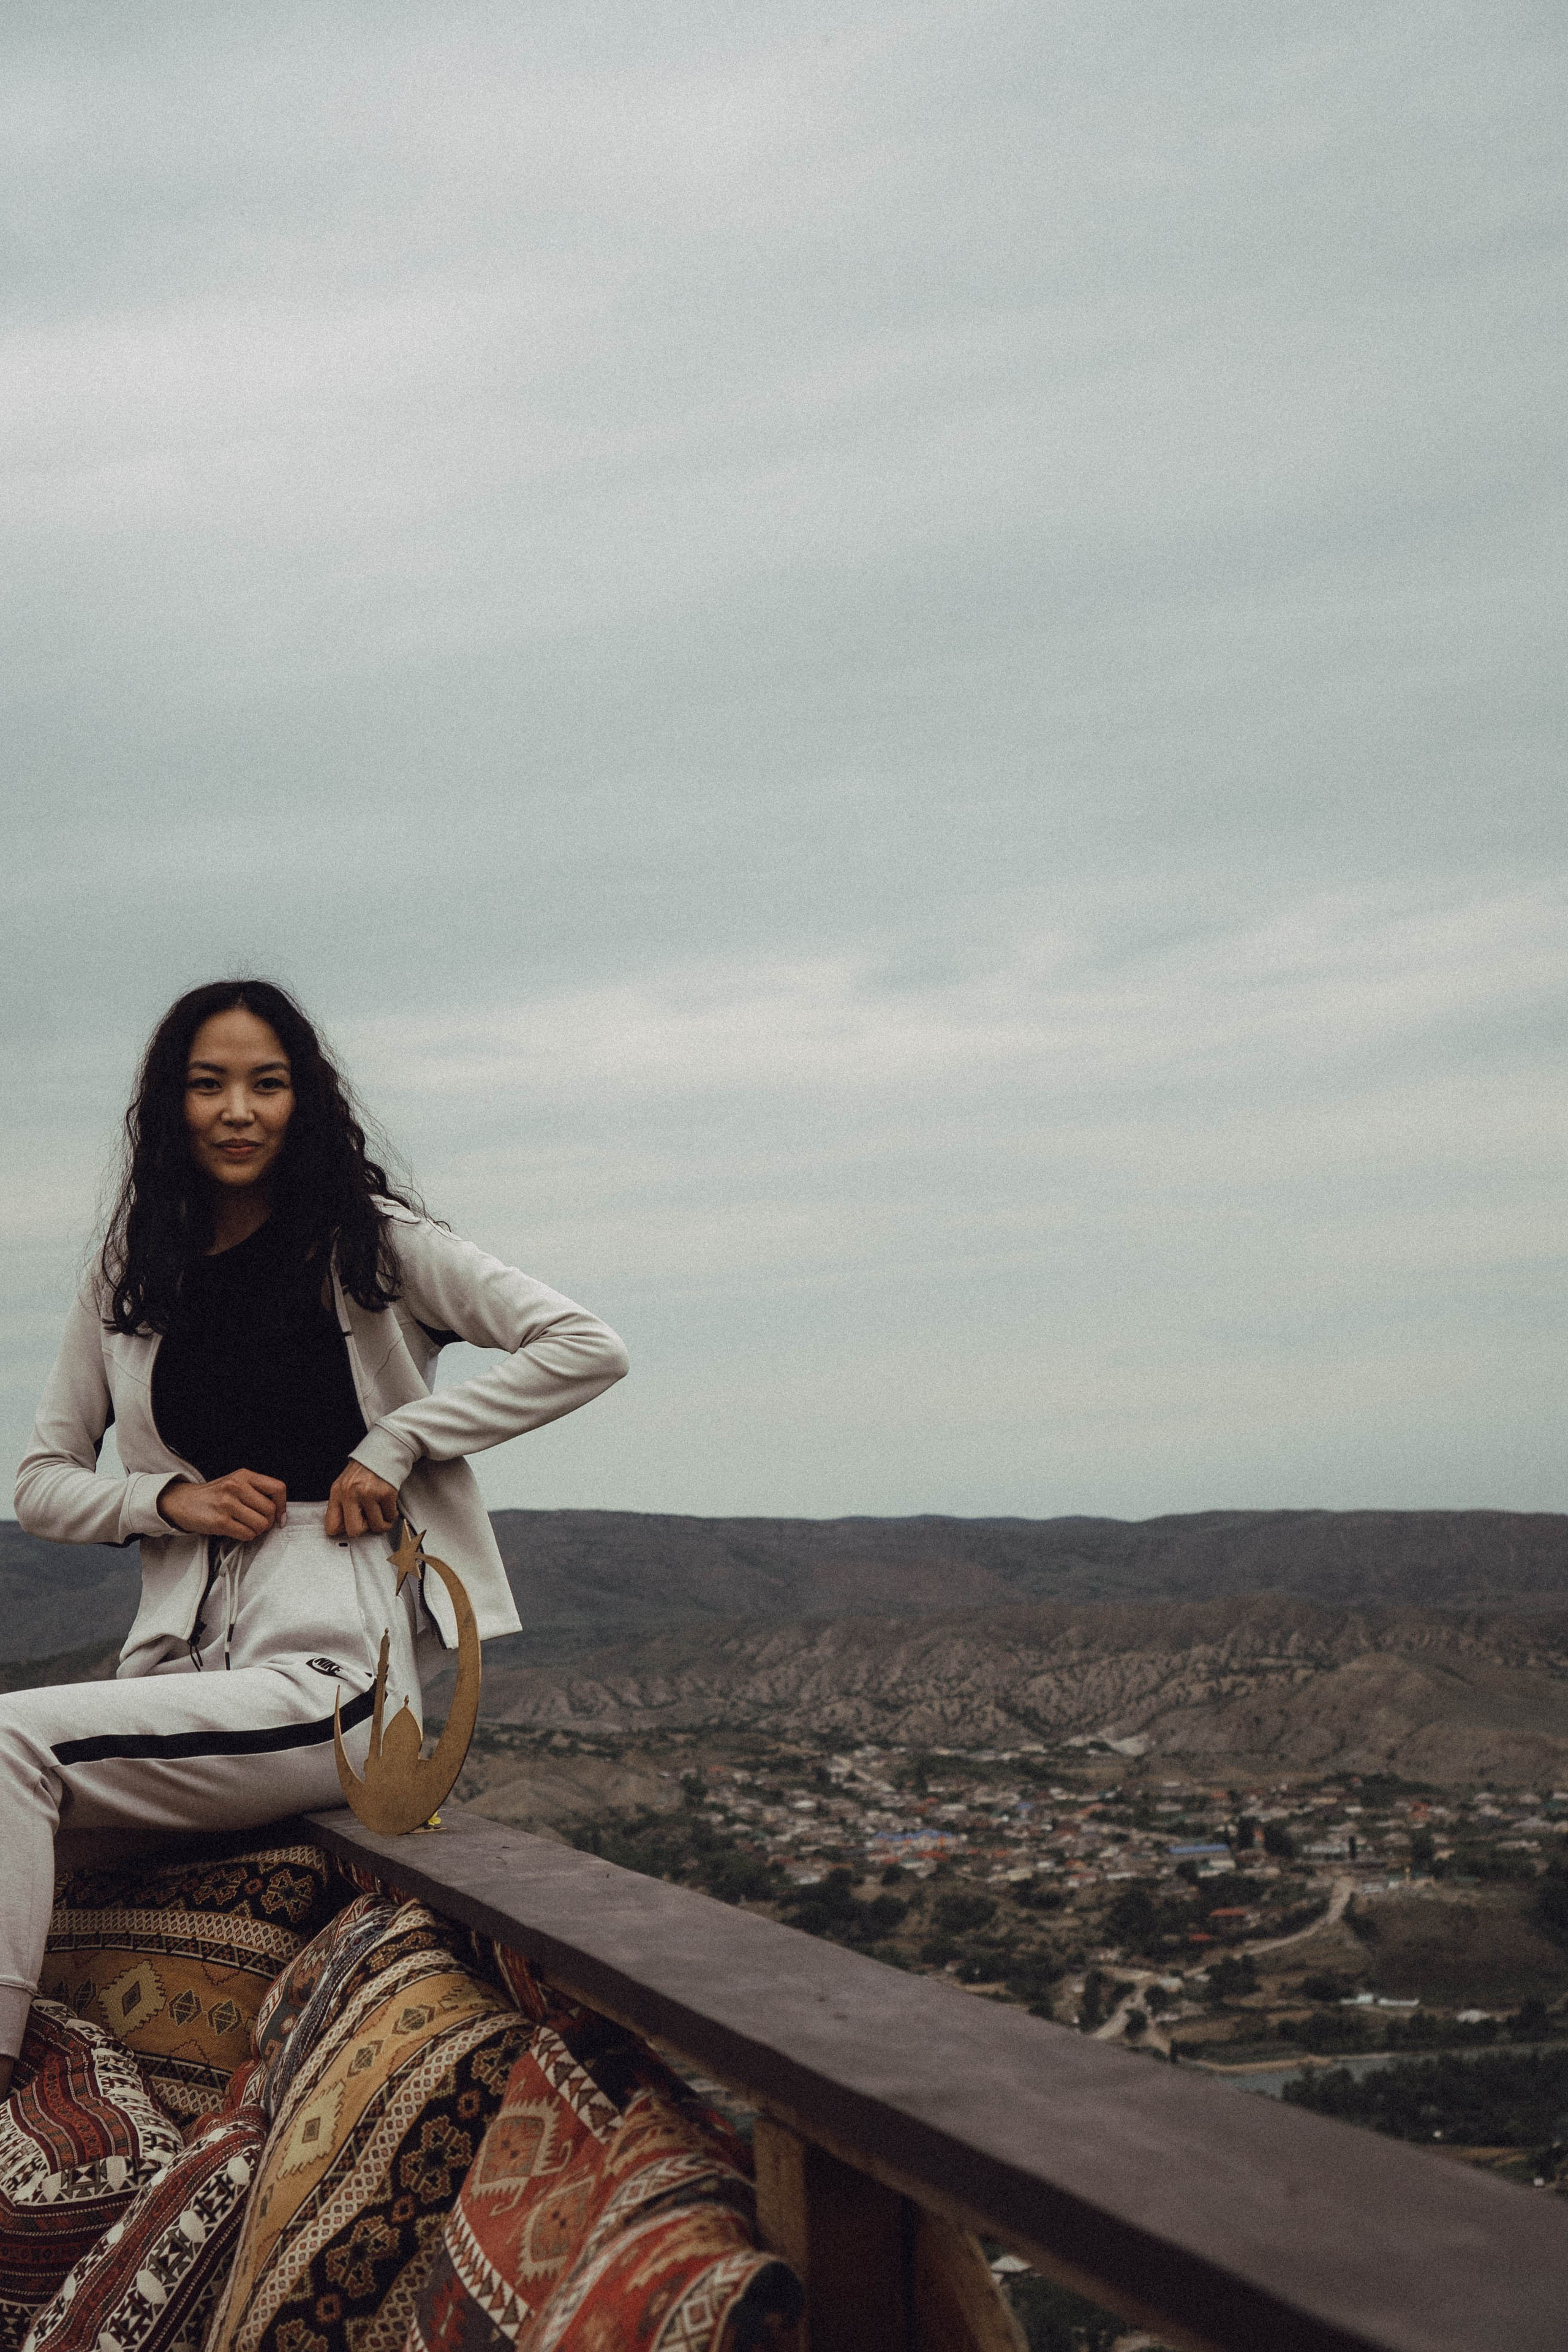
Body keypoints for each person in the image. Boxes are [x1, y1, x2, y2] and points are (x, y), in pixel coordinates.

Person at [7, 979, 628, 2097]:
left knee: (8, 1745)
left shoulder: (374, 1250)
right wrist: (164, 1504)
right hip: (182, 1675)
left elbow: (583, 1344)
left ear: (305, 1100)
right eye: (208, 1084)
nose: (237, 1109)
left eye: (266, 1083)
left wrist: (399, 1441)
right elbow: (41, 1483)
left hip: (337, 1677)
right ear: (170, 1106)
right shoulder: (131, 1270)